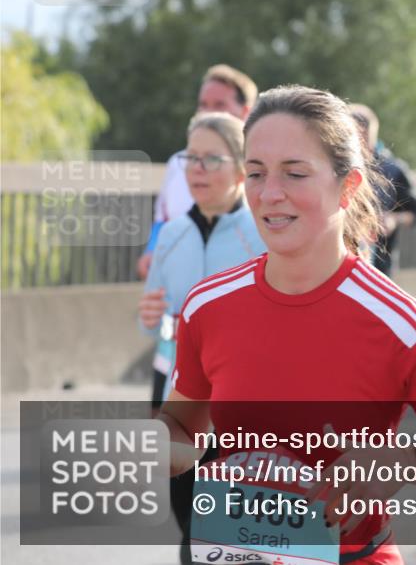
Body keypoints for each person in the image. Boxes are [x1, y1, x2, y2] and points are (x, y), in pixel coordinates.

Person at [158, 86, 416, 565]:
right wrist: (155, 448)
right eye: (257, 172)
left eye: (295, 173)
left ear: (347, 186)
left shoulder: (402, 325)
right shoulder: (208, 304)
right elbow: (181, 425)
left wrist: (412, 460)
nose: (270, 193)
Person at [137, 112, 266, 565]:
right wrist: (150, 316)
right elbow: (151, 321)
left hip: (237, 396)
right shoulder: (170, 234)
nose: (197, 169)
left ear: (239, 168)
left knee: (212, 528)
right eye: (191, 158)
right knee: (184, 507)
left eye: (212, 159)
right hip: (176, 390)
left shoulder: (263, 233)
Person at [137, 64, 258, 279]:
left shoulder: (262, 164)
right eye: (203, 105)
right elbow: (163, 218)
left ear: (246, 111)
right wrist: (152, 251)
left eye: (219, 104)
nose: (208, 112)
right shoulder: (177, 163)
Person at [349, 103, 416, 276]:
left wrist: (393, 219)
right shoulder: (336, 165)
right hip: (340, 261)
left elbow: (414, 213)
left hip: (378, 264)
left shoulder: (394, 169)